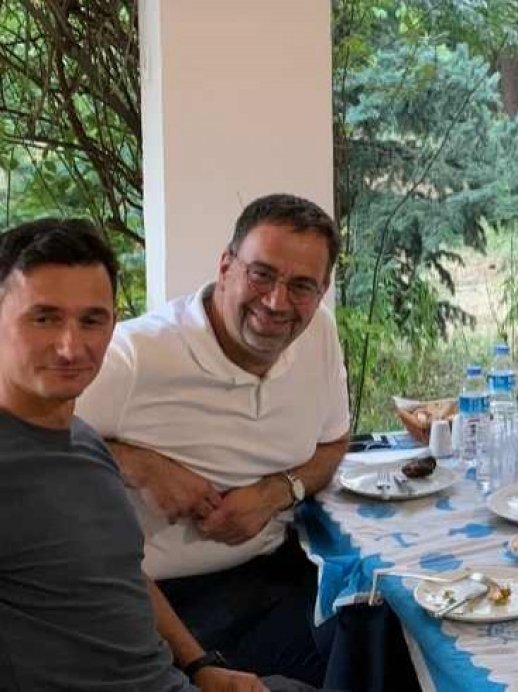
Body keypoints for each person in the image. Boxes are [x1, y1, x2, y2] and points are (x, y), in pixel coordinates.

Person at [75, 194, 350, 685]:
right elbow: (27, 434)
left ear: (323, 290)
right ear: (225, 266)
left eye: (301, 286)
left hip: (272, 577)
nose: (276, 302)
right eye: (261, 274)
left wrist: (276, 492)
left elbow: (333, 444)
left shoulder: (318, 334)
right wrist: (139, 464)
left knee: (381, 650)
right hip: (158, 603)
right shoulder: (135, 356)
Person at [0, 219, 269, 691]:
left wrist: (201, 665)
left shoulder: (84, 440)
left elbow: (120, 572)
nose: (71, 347)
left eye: (92, 320)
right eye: (44, 318)